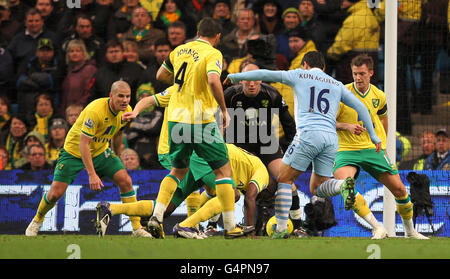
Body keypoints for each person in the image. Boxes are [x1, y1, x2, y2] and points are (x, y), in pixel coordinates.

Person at [224, 51, 382, 239]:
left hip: (308, 136)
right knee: (318, 187)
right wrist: (374, 135)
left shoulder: (298, 74)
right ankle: (341, 186)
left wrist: (235, 76)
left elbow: (265, 74)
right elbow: (362, 107)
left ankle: (281, 229)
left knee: (283, 178)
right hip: (331, 139)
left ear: (305, 64)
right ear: (323, 68)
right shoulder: (337, 84)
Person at [147, 17, 254, 239]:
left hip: (176, 120)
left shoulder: (179, 50)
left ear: (197, 31)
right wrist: (224, 111)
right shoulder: (213, 53)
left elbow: (160, 75)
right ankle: (231, 226)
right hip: (200, 120)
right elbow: (214, 81)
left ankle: (156, 215)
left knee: (178, 171)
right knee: (223, 171)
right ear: (217, 37)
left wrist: (182, 85)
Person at [25, 80, 152, 237]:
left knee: (125, 180)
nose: (125, 100)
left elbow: (118, 132)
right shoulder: (95, 110)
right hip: (74, 152)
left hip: (100, 151)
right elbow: (84, 143)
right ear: (111, 96)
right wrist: (92, 174)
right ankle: (37, 219)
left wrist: (116, 158)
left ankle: (136, 228)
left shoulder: (127, 111)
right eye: (121, 96)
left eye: (128, 96)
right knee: (55, 193)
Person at [333, 54, 428, 239]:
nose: (358, 78)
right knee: (347, 188)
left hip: (371, 149)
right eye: (354, 74)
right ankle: (377, 227)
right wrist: (347, 126)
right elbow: (327, 122)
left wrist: (382, 144)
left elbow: (383, 119)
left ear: (371, 73)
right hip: (346, 150)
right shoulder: (341, 94)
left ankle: (410, 232)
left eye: (361, 73)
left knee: (399, 189)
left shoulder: (379, 95)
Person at [326, 0, 380, 85]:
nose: (342, 3)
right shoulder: (369, 15)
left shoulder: (355, 19)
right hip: (370, 63)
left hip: (352, 65)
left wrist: (329, 54)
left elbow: (342, 45)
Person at [59, 39, 97, 116]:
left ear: (84, 53)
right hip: (68, 113)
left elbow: (89, 93)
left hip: (83, 112)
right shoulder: (67, 71)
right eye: (71, 51)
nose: (74, 53)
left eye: (78, 51)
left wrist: (78, 108)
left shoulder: (89, 69)